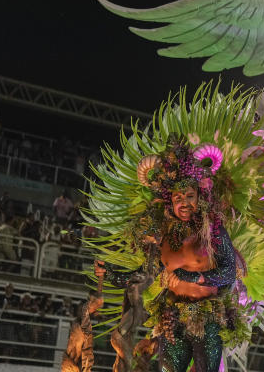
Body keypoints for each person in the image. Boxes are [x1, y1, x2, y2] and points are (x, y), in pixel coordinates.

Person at [96, 142, 239, 372]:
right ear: (170, 203)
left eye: (189, 196)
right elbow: (144, 275)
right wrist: (111, 274)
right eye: (177, 198)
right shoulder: (163, 238)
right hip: (172, 318)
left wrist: (196, 278)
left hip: (207, 317)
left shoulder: (213, 231)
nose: (183, 203)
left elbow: (229, 271)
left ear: (199, 197)